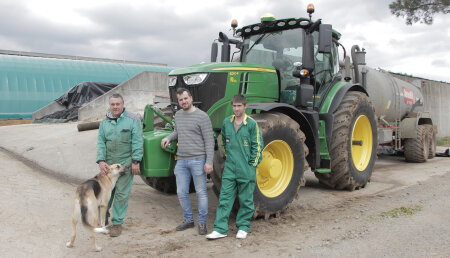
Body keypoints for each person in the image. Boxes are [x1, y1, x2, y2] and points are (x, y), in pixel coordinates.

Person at [206, 94, 263, 240]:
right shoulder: (227, 122)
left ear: (245, 106)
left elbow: (257, 147)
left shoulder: (251, 124)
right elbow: (223, 143)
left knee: (245, 199)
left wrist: (251, 167)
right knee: (225, 198)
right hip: (230, 167)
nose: (236, 109)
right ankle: (220, 229)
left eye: (239, 106)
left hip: (246, 168)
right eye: (234, 106)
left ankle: (243, 227)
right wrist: (228, 158)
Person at [161, 88, 214, 235]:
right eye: (180, 100)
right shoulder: (178, 115)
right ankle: (188, 220)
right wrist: (168, 138)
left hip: (198, 160)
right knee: (181, 192)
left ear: (190, 98)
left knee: (201, 192)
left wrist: (209, 162)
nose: (183, 102)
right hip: (182, 161)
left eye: (185, 98)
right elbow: (178, 131)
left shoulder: (202, 117)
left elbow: (209, 141)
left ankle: (202, 222)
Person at [96, 93, 143, 237]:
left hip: (125, 164)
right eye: (112, 104)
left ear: (123, 105)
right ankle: (102, 221)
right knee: (105, 194)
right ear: (109, 105)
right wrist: (101, 160)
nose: (115, 107)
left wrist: (136, 161)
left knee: (121, 194)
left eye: (118, 104)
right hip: (109, 166)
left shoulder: (133, 120)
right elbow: (101, 143)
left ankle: (117, 224)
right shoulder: (104, 123)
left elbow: (137, 141)